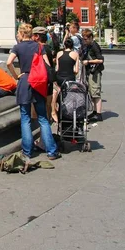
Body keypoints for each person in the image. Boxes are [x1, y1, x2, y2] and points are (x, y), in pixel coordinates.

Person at [6, 23, 60, 161]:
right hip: (38, 82)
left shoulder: (17, 47)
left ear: (22, 34)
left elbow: (8, 63)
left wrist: (16, 75)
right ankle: (52, 151)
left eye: (18, 33)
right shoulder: (39, 46)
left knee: (25, 118)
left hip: (24, 81)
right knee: (43, 118)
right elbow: (47, 65)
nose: (17, 36)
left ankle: (27, 151)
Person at [51, 38, 79, 123]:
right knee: (67, 96)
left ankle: (53, 111)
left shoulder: (59, 53)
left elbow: (57, 68)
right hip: (69, 78)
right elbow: (76, 70)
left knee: (55, 93)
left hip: (59, 77)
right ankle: (66, 113)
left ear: (64, 45)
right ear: (72, 46)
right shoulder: (75, 54)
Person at [82, 28, 104, 122]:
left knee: (96, 92)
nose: (84, 41)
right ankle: (95, 112)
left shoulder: (94, 46)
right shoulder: (88, 46)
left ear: (91, 37)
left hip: (95, 72)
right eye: (84, 39)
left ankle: (98, 114)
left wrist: (88, 61)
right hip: (90, 71)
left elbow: (101, 60)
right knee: (92, 92)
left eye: (86, 39)